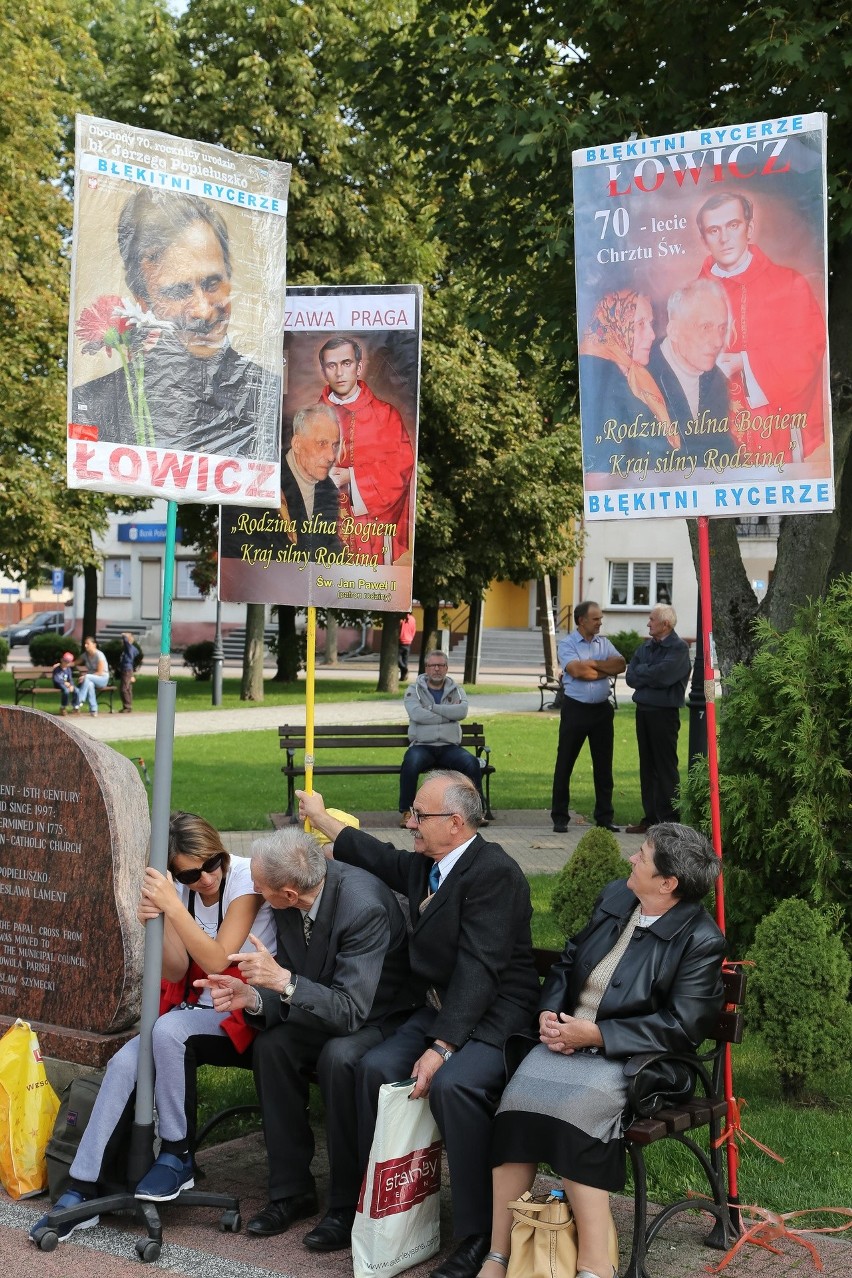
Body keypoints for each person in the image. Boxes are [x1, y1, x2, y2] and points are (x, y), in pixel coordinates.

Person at [298, 771, 540, 1278]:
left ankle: (478, 1236)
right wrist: (320, 816)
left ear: (454, 822)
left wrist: (441, 1047)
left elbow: (479, 971)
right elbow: (380, 857)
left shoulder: (494, 873)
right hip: (439, 1008)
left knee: (453, 1087)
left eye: (418, 815)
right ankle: (376, 1209)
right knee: (372, 1068)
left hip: (495, 1016)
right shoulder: (431, 864)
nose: (409, 822)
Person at [479, 823, 725, 1278]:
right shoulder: (619, 896)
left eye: (643, 856)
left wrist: (597, 1036)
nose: (632, 859)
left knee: (577, 1115)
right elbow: (570, 958)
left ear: (668, 883)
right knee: (515, 1107)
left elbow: (682, 1027)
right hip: (571, 1041)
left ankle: (595, 1263)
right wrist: (550, 1012)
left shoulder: (701, 941)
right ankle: (499, 1253)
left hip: (638, 1061)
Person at [29, 812, 276, 1243]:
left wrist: (173, 906)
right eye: (189, 873)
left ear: (220, 850)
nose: (205, 878)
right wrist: (155, 924)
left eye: (211, 862)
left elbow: (219, 959)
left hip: (246, 1010)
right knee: (126, 1060)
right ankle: (82, 1187)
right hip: (196, 1009)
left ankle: (178, 1153)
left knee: (167, 1031)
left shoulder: (243, 882)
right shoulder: (183, 890)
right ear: (175, 870)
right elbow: (180, 965)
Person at [198, 826, 413, 1253]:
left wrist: (284, 981)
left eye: (260, 886)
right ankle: (292, 1190)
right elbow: (293, 982)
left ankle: (346, 1202)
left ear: (290, 894)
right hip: (325, 1007)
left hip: (380, 1016)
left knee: (339, 1058)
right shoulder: (290, 899)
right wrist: (253, 997)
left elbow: (351, 1010)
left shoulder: (362, 907)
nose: (254, 891)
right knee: (272, 1046)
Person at [72, 189, 280, 458]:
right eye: (178, 292)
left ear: (230, 275)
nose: (203, 311)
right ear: (141, 300)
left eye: (212, 283)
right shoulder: (95, 406)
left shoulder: (273, 398)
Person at [696, 191, 827, 460]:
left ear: (749, 228)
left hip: (773, 427)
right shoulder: (692, 296)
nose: (724, 238)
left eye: (733, 225)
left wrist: (745, 362)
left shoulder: (788, 284)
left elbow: (809, 349)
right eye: (714, 230)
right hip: (714, 432)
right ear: (704, 240)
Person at [318, 335, 414, 563]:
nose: (339, 373)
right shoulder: (313, 416)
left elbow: (401, 469)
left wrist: (351, 476)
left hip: (370, 530)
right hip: (325, 527)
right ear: (324, 371)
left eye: (346, 363)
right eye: (332, 365)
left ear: (359, 367)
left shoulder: (385, 415)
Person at [578, 290, 676, 474]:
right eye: (640, 325)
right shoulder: (603, 382)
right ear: (616, 326)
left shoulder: (636, 375)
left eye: (651, 323)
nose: (652, 335)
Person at [550, 602, 626, 834]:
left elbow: (621, 664)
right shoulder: (568, 643)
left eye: (600, 618)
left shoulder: (604, 643)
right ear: (581, 620)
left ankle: (604, 817)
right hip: (576, 710)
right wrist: (604, 668)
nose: (600, 622)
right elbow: (576, 671)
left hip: (602, 711)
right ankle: (560, 817)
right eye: (596, 619)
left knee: (604, 766)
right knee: (565, 763)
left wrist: (592, 664)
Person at [646, 279, 733, 460]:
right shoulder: (642, 377)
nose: (718, 342)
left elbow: (723, 452)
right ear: (674, 331)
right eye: (705, 327)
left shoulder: (718, 381)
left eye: (722, 328)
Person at [624, 605, 691, 833]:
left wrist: (646, 673)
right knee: (647, 765)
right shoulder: (646, 647)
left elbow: (664, 676)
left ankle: (669, 820)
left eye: (652, 620)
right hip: (643, 711)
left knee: (665, 767)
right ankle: (650, 818)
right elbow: (631, 676)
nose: (648, 623)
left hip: (664, 714)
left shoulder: (678, 649)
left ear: (666, 624)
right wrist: (649, 673)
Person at [399, 650, 484, 825]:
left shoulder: (456, 690)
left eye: (440, 665)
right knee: (410, 763)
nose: (436, 669)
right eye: (432, 665)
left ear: (446, 668)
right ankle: (407, 811)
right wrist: (448, 713)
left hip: (449, 747)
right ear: (426, 668)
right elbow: (416, 715)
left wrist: (431, 707)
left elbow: (462, 711)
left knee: (471, 763)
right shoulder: (413, 689)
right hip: (422, 745)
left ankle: (476, 812)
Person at [76, 636, 109, 716]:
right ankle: (94, 710)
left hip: (102, 679)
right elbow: (74, 663)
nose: (85, 645)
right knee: (90, 685)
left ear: (94, 645)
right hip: (92, 679)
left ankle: (79, 700)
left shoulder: (99, 655)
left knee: (87, 677)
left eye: (88, 643)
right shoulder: (85, 655)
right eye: (85, 644)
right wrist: (62, 664)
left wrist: (85, 677)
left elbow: (100, 672)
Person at [118, 631, 139, 713]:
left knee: (124, 688)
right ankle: (128, 706)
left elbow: (126, 641)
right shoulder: (133, 649)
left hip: (126, 669)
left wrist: (124, 635)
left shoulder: (129, 647)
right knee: (128, 688)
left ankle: (127, 706)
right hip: (128, 669)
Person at [399, 611, 417, 679]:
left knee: (398, 659)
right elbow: (414, 630)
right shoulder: (413, 619)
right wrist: (411, 638)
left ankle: (405, 669)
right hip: (409, 641)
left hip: (401, 641)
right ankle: (403, 677)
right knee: (405, 660)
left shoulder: (402, 619)